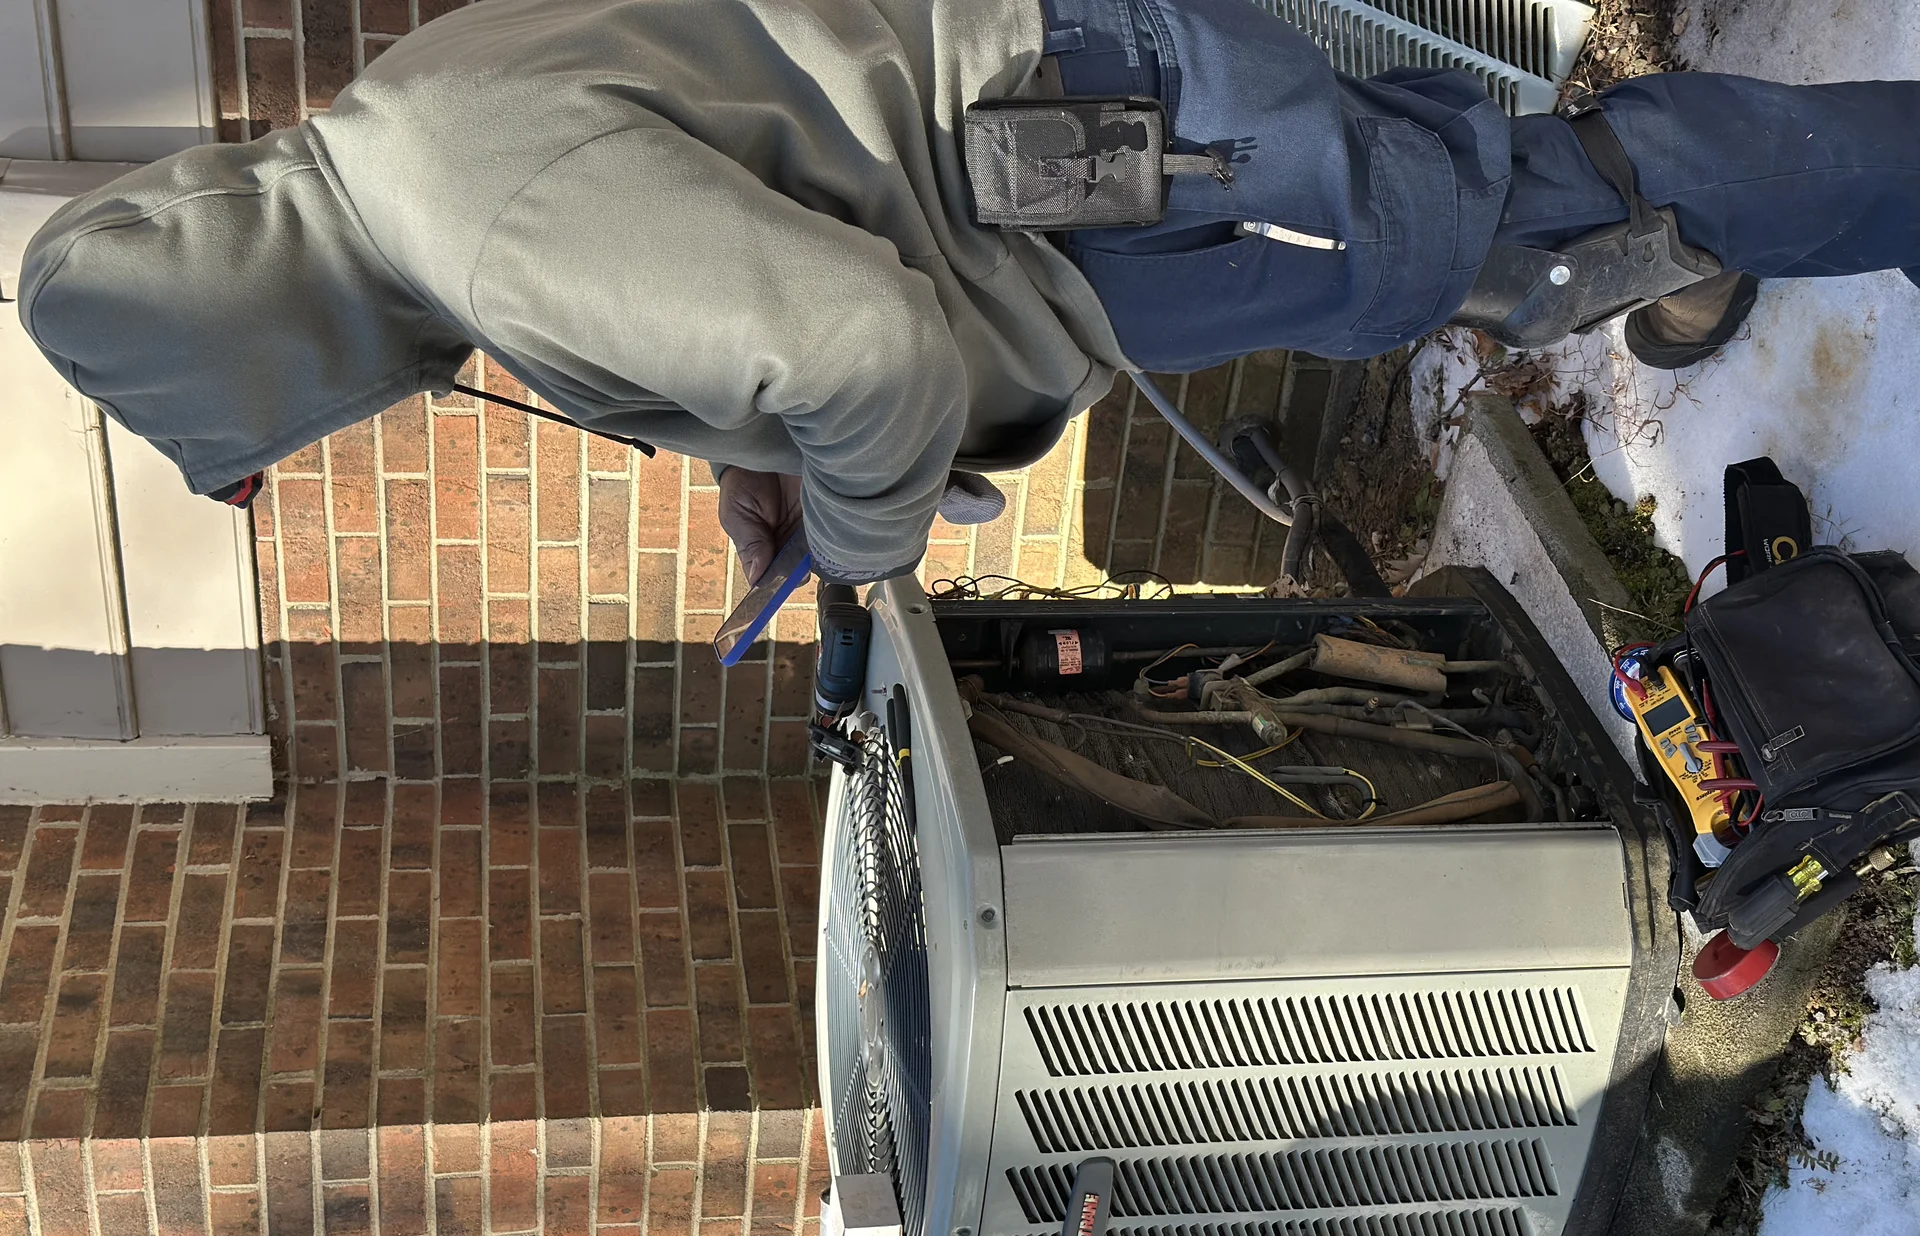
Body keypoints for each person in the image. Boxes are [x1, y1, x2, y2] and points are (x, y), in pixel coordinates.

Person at [18, 0, 1920, 587]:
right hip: (1080, 149)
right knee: (1501, 229)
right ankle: (1734, 223)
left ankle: (1859, 184)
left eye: (265, 436)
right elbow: (756, 198)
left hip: (1101, 172)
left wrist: (853, 541)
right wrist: (752, 465)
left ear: (255, 347)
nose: (317, 445)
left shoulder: (468, 229)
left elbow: (865, 345)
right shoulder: (399, 147)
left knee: (1527, 217)